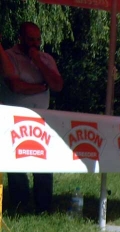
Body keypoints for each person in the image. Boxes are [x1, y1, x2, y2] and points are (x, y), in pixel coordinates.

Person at [1, 22, 63, 214]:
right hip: (15, 119)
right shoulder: (9, 57)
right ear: (20, 38)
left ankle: (44, 206)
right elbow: (16, 86)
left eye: (38, 39)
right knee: (17, 164)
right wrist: (41, 87)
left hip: (42, 120)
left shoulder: (45, 58)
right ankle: (20, 206)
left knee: (43, 162)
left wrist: (38, 62)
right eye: (30, 39)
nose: (35, 43)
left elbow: (57, 85)